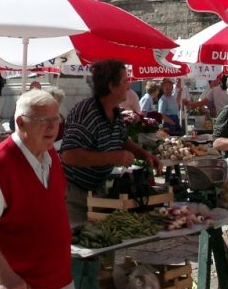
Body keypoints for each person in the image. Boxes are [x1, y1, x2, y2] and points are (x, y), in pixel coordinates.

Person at [0, 90, 74, 289]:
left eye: (55, 119)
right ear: (21, 122)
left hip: (58, 279)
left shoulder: (51, 155)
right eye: (43, 120)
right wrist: (6, 277)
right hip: (20, 286)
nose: (52, 127)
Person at [60, 59, 160, 224]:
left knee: (107, 243)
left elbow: (122, 140)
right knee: (82, 245)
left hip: (97, 190)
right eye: (125, 81)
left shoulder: (115, 112)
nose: (129, 86)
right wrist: (112, 157)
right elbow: (69, 156)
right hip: (75, 195)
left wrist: (145, 155)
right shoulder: (86, 113)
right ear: (111, 86)